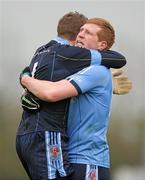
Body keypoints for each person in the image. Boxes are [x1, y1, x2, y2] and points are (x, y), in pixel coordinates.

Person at [17, 13, 127, 180]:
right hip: (71, 156)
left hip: (89, 160)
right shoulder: (79, 68)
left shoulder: (97, 70)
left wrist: (25, 79)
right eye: (81, 30)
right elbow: (51, 86)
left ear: (102, 44)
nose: (80, 34)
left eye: (88, 32)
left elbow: (50, 92)